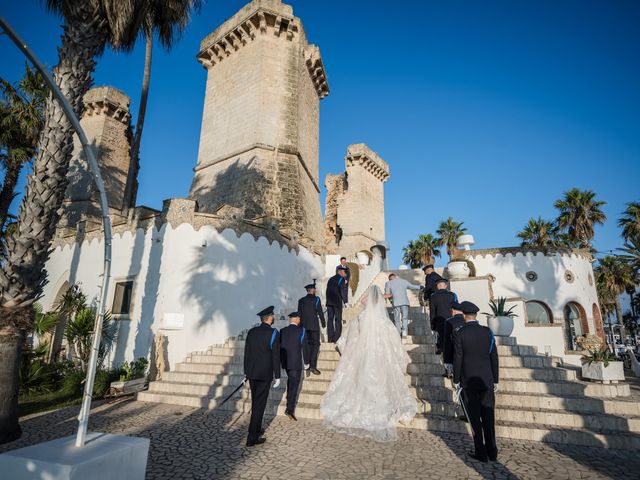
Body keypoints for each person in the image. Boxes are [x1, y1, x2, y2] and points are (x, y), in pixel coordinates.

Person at [320, 287, 417, 441]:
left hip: (364, 354)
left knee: (362, 379)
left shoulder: (361, 317)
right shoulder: (384, 320)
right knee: (380, 381)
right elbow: (394, 341)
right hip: (381, 355)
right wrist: (399, 358)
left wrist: (347, 350)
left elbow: (350, 339)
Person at [453, 301, 499, 463]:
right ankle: (492, 451)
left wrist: (456, 379)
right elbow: (494, 356)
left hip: (468, 380)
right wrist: (496, 379)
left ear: (464, 315)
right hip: (486, 380)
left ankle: (480, 451)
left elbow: (458, 358)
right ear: (475, 315)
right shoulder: (487, 332)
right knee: (488, 416)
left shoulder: (460, 333)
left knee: (474, 418)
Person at [243, 306, 281, 447]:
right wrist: (277, 375)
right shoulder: (273, 333)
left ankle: (257, 429)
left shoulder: (252, 332)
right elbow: (275, 356)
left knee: (256, 403)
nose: (274, 317)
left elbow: (247, 354)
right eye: (273, 315)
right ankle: (252, 438)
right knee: (259, 406)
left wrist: (246, 372)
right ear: (269, 318)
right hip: (265, 374)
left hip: (252, 373)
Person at [280, 312, 306, 421]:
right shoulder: (301, 330)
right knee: (295, 385)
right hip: (295, 362)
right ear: (296, 319)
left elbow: (280, 347)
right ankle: (289, 409)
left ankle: (288, 398)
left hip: (286, 362)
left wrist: (281, 362)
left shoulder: (282, 331)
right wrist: (308, 361)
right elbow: (305, 347)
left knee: (291, 380)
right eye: (299, 318)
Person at [298, 283, 326, 376]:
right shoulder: (316, 299)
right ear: (312, 290)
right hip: (314, 326)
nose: (315, 291)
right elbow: (320, 312)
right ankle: (313, 366)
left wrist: (299, 327)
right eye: (315, 289)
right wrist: (323, 323)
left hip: (304, 327)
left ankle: (308, 364)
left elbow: (299, 314)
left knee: (308, 345)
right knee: (316, 345)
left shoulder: (301, 301)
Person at [383, 273, 422, 338]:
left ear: (390, 278)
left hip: (395, 303)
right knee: (405, 317)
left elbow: (387, 294)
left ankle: (398, 333)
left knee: (397, 318)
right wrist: (420, 287)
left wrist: (388, 299)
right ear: (395, 276)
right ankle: (404, 331)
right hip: (404, 302)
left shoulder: (388, 283)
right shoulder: (403, 281)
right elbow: (412, 286)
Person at [429, 278, 457, 354]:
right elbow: (456, 308)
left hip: (439, 321)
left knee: (440, 338)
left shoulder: (433, 296)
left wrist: (432, 325)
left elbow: (432, 312)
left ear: (437, 286)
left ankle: (440, 349)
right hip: (451, 320)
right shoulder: (453, 295)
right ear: (445, 286)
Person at [443, 302, 465, 376]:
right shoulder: (467, 320)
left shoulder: (449, 321)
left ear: (453, 310)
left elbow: (447, 342)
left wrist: (447, 361)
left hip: (454, 354)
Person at [326, 266, 348, 343]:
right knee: (338, 320)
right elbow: (342, 291)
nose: (345, 274)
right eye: (345, 272)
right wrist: (345, 301)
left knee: (330, 319)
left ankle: (330, 338)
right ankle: (336, 338)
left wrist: (327, 301)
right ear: (341, 272)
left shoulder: (331, 279)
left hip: (329, 302)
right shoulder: (341, 279)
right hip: (337, 302)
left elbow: (327, 290)